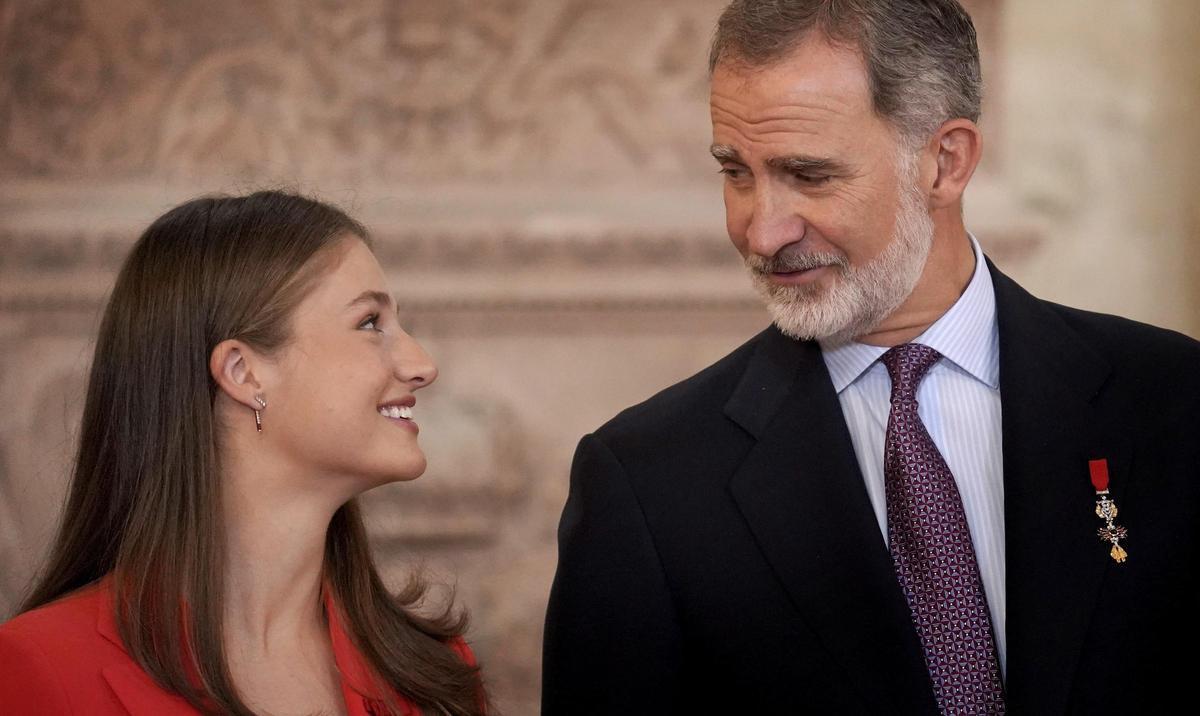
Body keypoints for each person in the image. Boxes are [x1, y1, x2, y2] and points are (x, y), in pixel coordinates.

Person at [542, 1, 1200, 714]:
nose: (762, 231)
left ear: (946, 163)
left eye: (810, 176)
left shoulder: (1175, 402)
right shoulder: (646, 480)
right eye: (735, 173)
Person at [0, 191, 487, 715]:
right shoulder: (40, 669)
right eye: (371, 323)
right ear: (243, 372)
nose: (421, 364)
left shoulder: (435, 673)